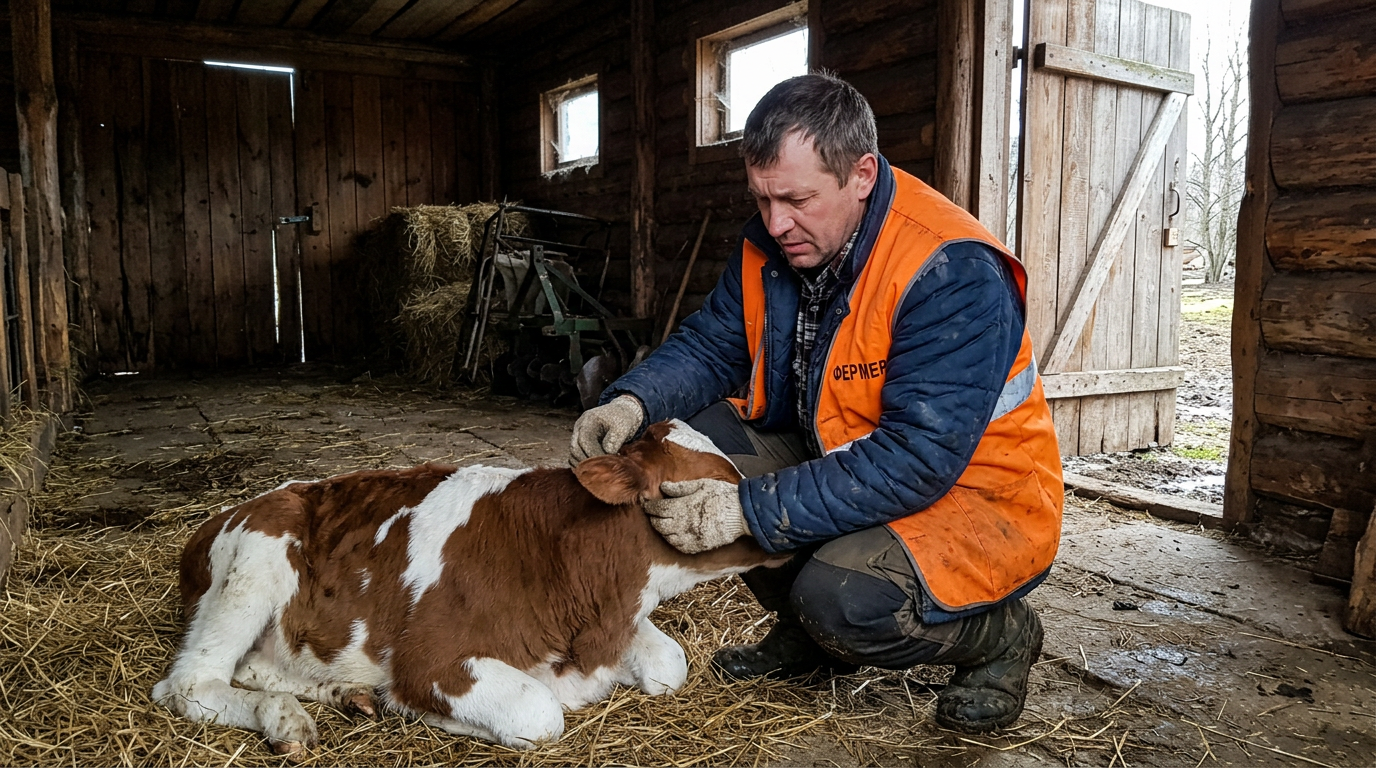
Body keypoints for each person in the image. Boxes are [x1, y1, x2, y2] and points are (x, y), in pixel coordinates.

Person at [569, 73, 1062, 734]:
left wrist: (748, 509)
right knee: (690, 458)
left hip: (974, 497)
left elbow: (917, 458)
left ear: (861, 174)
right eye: (762, 198)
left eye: (797, 199)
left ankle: (1001, 636)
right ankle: (808, 638)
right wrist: (631, 401)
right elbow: (714, 344)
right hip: (848, 454)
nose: (776, 223)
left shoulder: (950, 270)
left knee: (844, 600)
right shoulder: (777, 245)